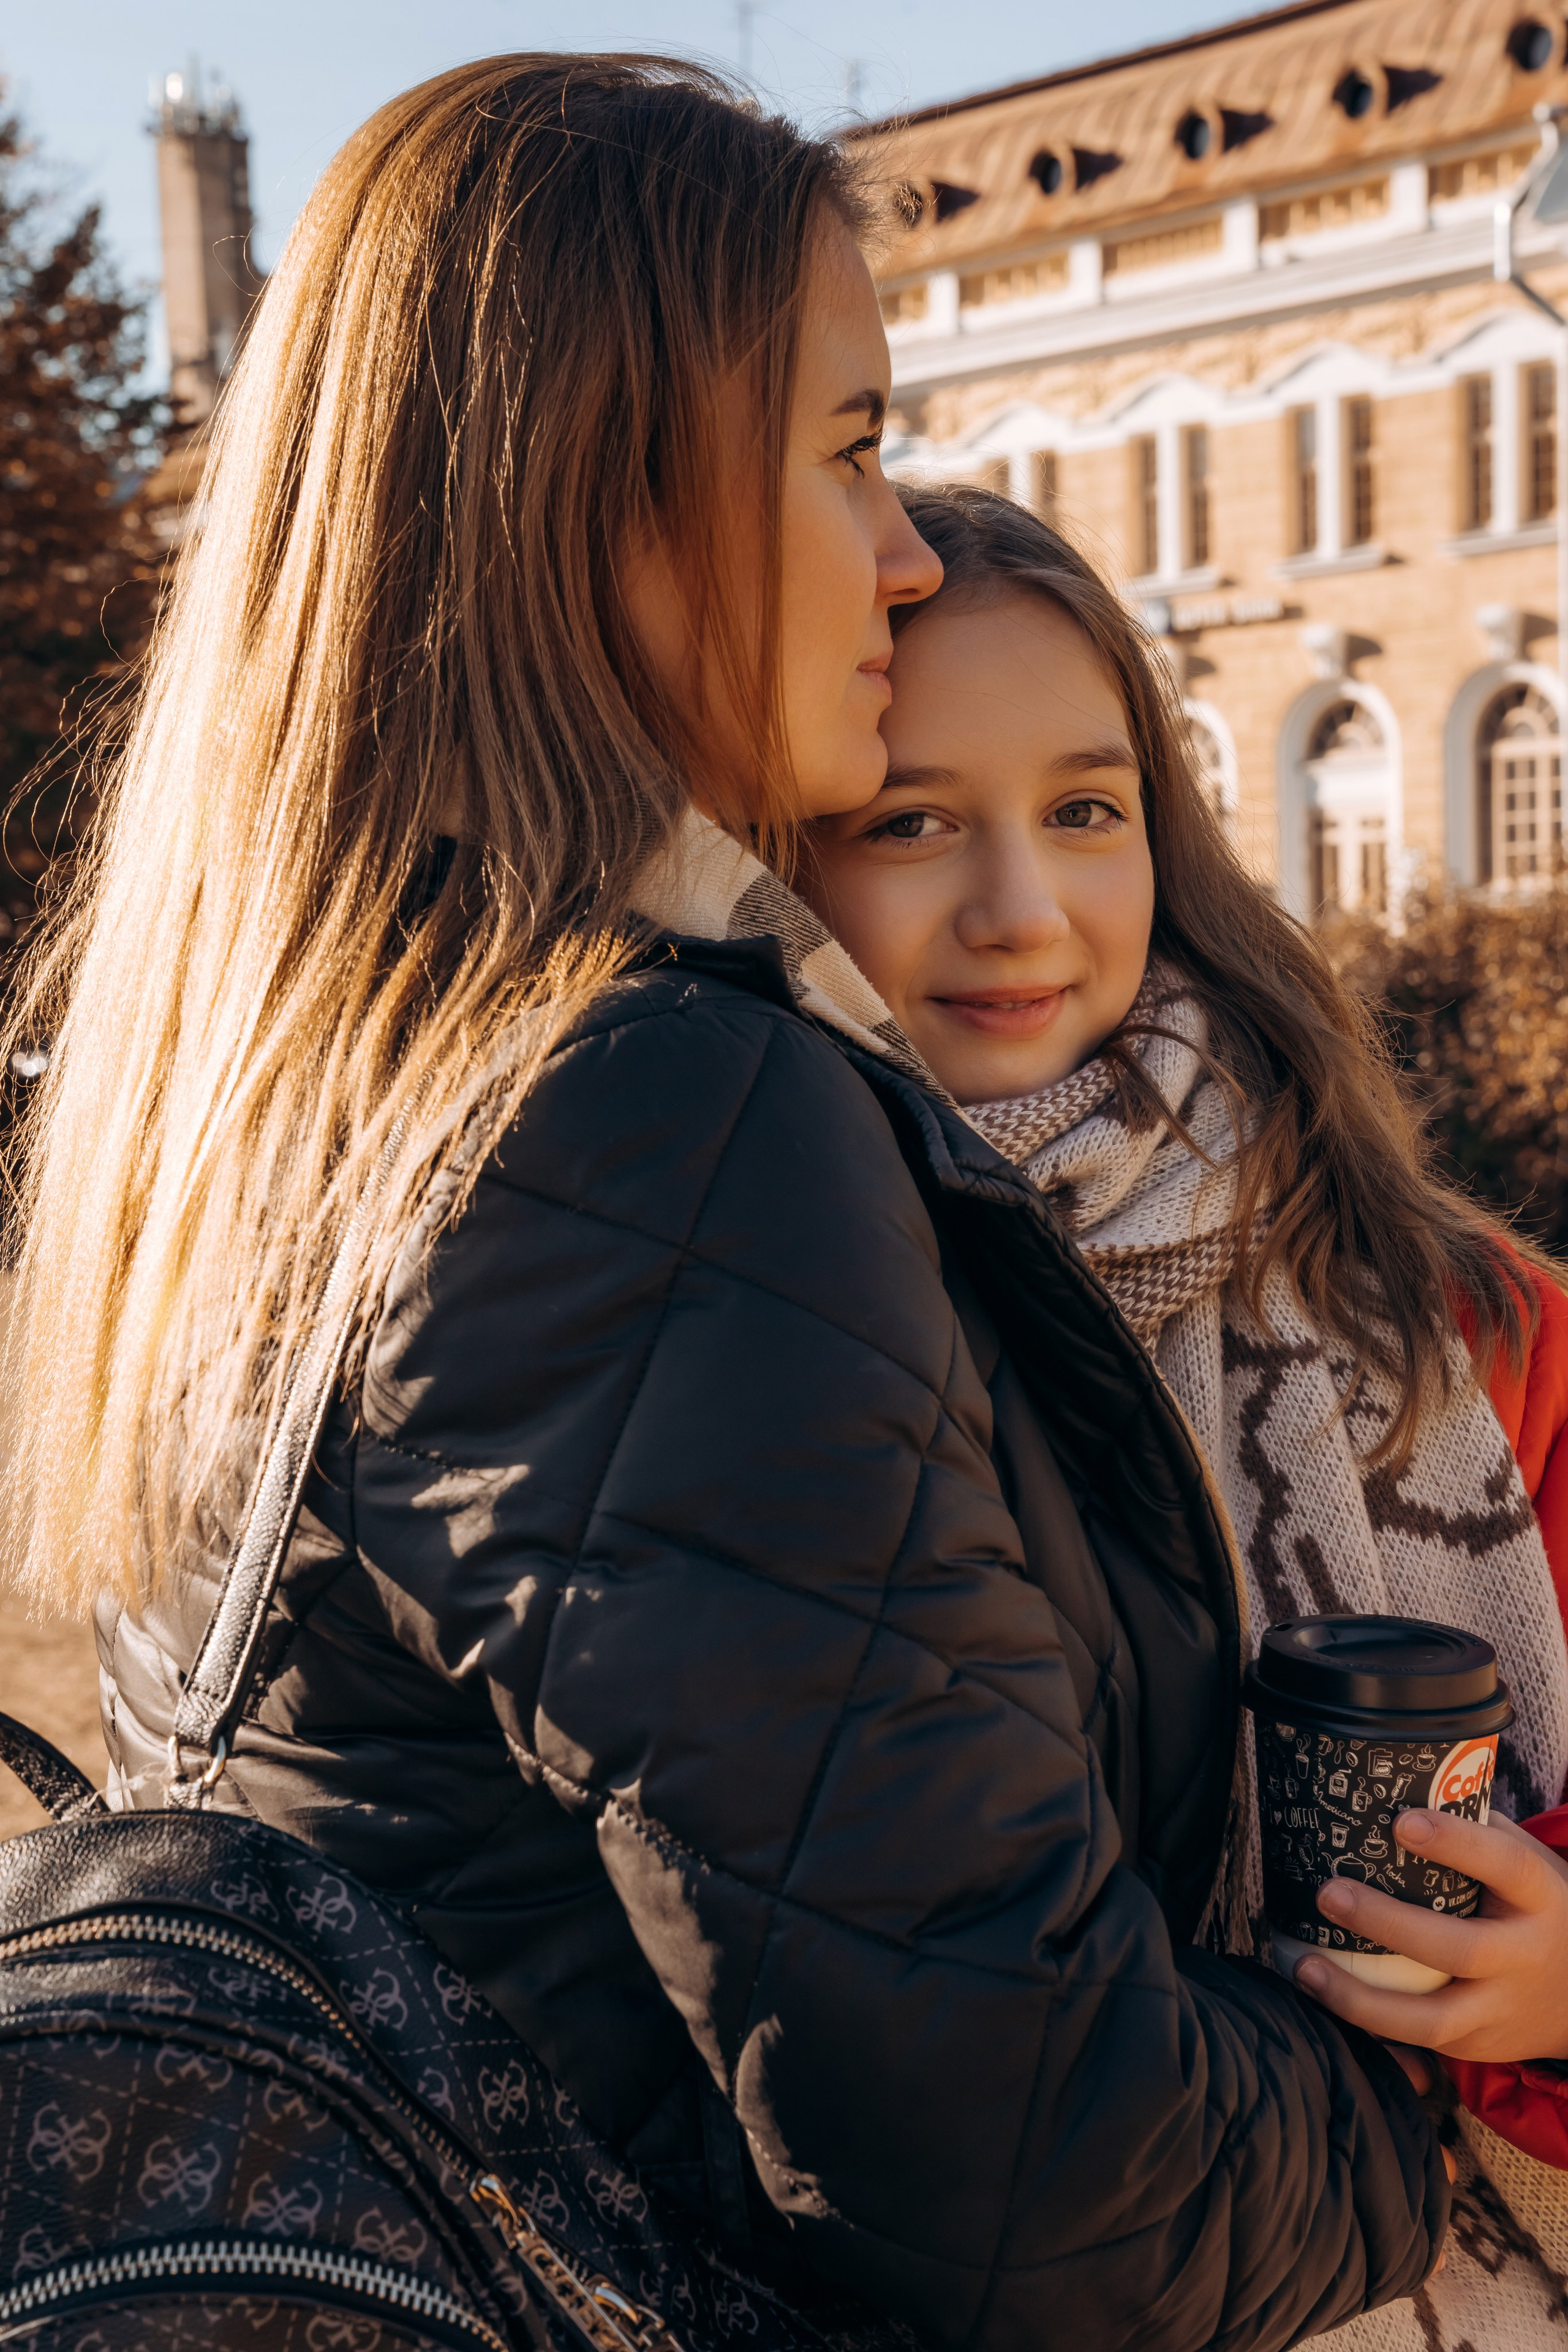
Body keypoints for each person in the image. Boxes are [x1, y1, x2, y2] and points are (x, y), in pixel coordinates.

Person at [4, 58, 1447, 2351]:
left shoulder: (314, 1069)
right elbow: (1053, 2194)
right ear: (608, 497)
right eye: (850, 447)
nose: (903, 551)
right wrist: (1407, 2105)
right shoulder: (639, 1123)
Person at [801, 481, 1568, 2348]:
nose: (1020, 907)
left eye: (1085, 810)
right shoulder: (757, 1333)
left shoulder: (1454, 1313)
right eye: (912, 823)